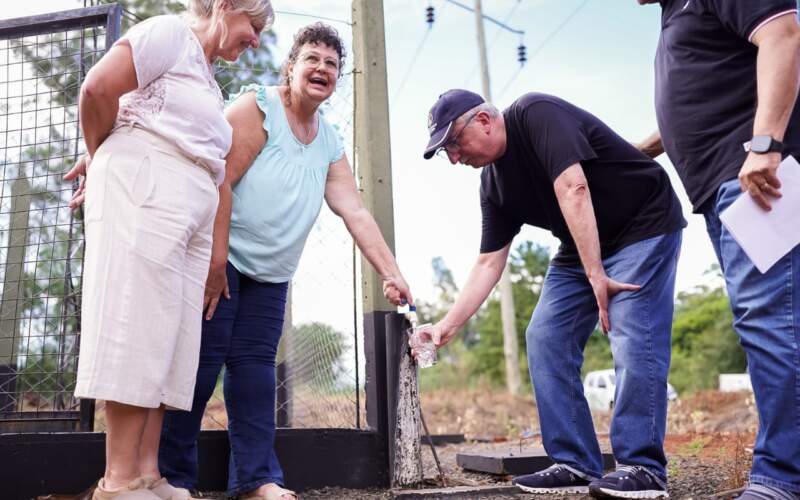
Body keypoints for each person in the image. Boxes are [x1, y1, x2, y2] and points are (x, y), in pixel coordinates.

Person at [157, 23, 412, 500]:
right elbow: (218, 179)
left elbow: (354, 209)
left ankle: (255, 480)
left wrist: (391, 273)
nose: (322, 69)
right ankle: (172, 478)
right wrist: (213, 262)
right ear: (291, 67)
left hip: (271, 274)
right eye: (312, 59)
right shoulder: (259, 108)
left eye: (332, 64)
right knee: (200, 365)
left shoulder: (328, 140)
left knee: (254, 373)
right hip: (221, 257)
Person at [413, 89, 686, 498]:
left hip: (643, 224)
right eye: (445, 152)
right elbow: (489, 262)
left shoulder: (535, 114)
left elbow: (574, 187)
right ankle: (575, 463)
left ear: (484, 121)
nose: (454, 158)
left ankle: (643, 468)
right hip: (580, 248)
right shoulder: (493, 186)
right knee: (545, 336)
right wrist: (447, 327)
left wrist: (597, 274)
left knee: (630, 333)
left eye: (453, 142)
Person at [64, 1, 274, 499]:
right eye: (254, 25)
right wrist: (102, 157)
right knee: (135, 328)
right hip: (146, 186)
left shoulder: (208, 80)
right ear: (225, 6)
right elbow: (97, 89)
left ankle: (148, 474)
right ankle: (117, 482)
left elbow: (221, 176)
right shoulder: (166, 34)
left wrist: (218, 257)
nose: (257, 39)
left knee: (170, 340)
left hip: (192, 209)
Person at [635, 1, 800, 498]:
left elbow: (783, 35)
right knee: (772, 320)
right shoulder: (676, 12)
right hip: (723, 188)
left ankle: (782, 476)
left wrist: (765, 143)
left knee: (770, 321)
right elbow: (710, 86)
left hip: (755, 179)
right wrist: (643, 149)